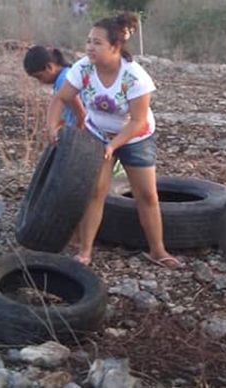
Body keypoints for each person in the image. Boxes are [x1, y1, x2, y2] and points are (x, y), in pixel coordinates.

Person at [45, 12, 180, 269]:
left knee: (147, 195)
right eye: (88, 41)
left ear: (115, 47)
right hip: (96, 133)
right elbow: (61, 98)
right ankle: (85, 252)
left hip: (135, 137)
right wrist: (52, 126)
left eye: (97, 42)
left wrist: (114, 145)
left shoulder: (135, 77)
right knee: (96, 192)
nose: (89, 47)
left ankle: (158, 250)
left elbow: (137, 121)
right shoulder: (82, 68)